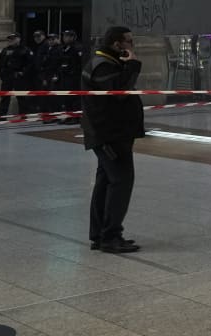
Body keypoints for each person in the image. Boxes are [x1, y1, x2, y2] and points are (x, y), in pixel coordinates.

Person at [81, 26, 145, 254]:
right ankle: (110, 236)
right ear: (117, 44)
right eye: (129, 41)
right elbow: (120, 92)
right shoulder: (103, 65)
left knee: (106, 182)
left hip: (110, 133)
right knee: (121, 182)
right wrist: (133, 64)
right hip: (110, 135)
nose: (132, 45)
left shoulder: (106, 62)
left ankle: (100, 234)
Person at [0, 33, 32, 120]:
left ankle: (23, 115)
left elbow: (30, 64)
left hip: (18, 76)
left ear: (18, 39)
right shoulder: (5, 50)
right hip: (6, 76)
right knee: (4, 96)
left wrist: (23, 72)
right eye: (9, 39)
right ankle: (2, 116)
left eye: (13, 38)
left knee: (21, 96)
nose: (10, 40)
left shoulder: (25, 49)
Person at [55, 30, 86, 116]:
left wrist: (74, 72)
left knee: (74, 97)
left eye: (67, 36)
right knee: (66, 97)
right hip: (65, 76)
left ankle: (75, 117)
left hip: (74, 77)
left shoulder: (78, 47)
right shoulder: (63, 48)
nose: (65, 38)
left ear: (72, 37)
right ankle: (68, 116)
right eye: (64, 36)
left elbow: (81, 62)